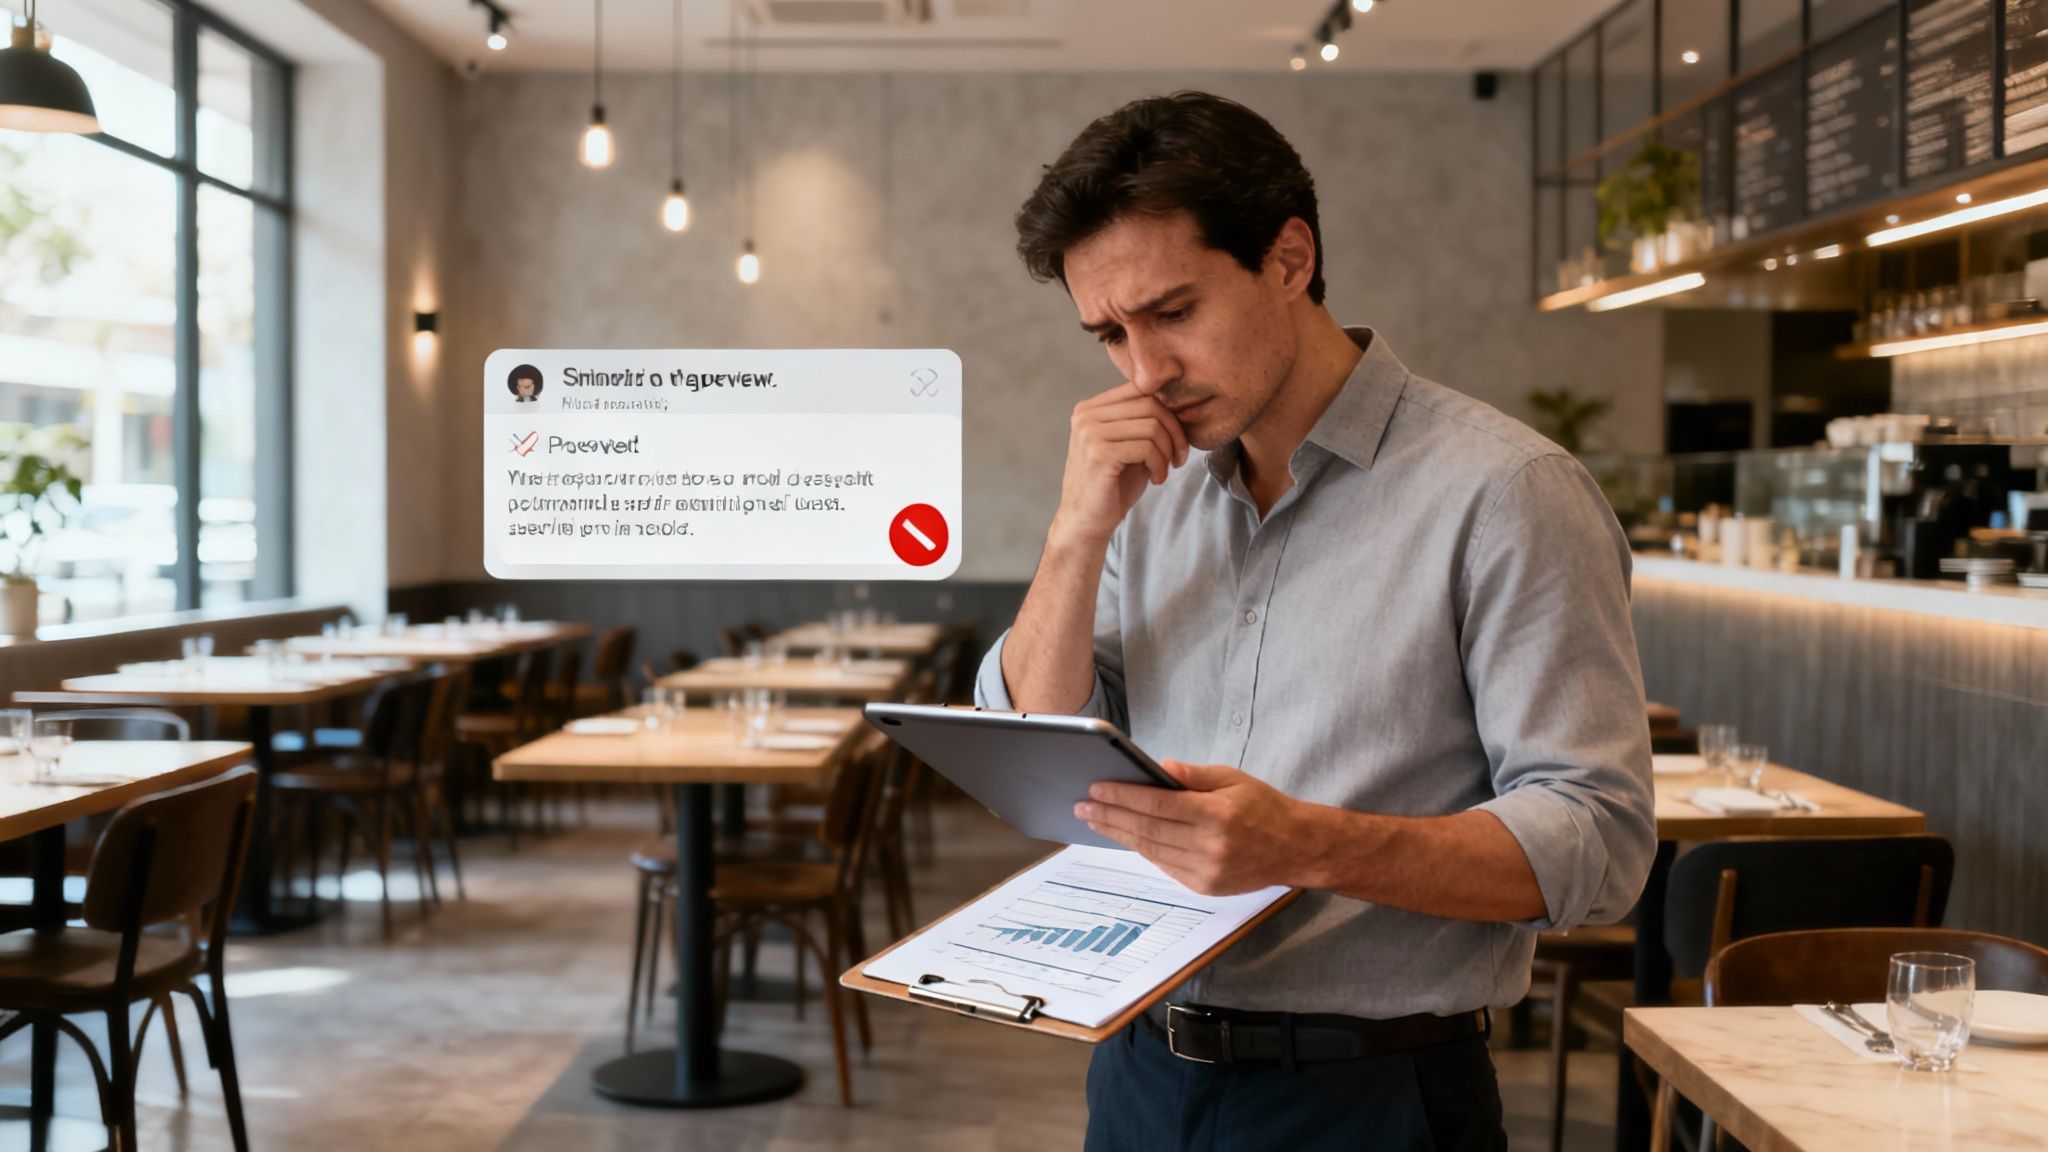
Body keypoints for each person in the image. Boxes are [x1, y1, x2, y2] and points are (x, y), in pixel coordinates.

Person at [976, 91, 1656, 1152]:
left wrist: (1307, 845)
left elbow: (1598, 846)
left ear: (1288, 259)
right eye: (1108, 334)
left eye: (1170, 311)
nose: (1142, 371)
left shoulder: (1505, 490)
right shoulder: (1142, 494)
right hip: (1138, 1073)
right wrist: (1072, 535)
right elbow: (1040, 737)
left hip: (1370, 1098)